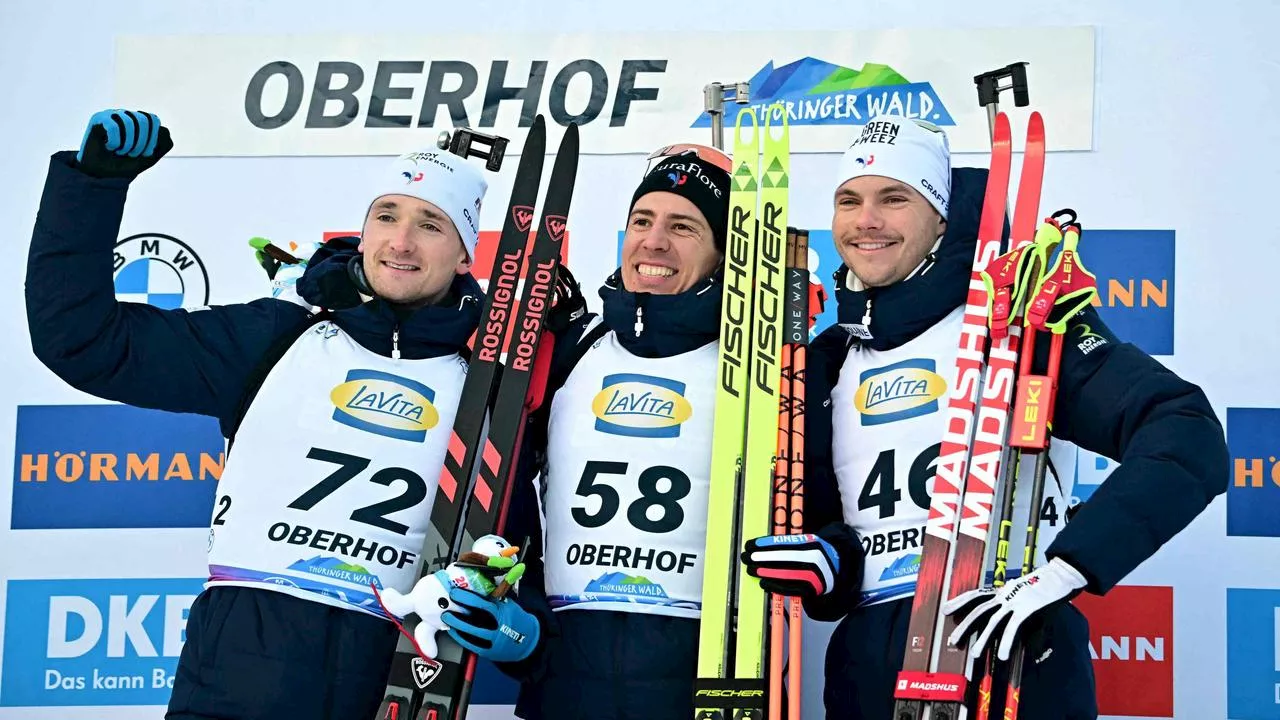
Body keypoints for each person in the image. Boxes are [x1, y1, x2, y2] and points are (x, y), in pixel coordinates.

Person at [741, 113, 1229, 719]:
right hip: (866, 676)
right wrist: (827, 563)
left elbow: (1185, 434)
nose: (866, 221)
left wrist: (1066, 568)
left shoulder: (1019, 327)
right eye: (849, 200)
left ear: (941, 220)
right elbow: (832, 539)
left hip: (1010, 663)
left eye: (894, 198)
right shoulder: (826, 361)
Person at [25, 108, 493, 720]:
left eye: (430, 224)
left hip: (393, 682)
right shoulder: (276, 337)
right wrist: (91, 188)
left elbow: (508, 553)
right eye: (386, 216)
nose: (400, 242)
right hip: (236, 677)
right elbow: (85, 342)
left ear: (465, 254)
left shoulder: (490, 382)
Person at [426, 144, 733, 720]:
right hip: (565, 694)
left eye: (684, 226)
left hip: (698, 695)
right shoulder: (572, 350)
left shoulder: (761, 367)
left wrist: (827, 561)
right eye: (642, 220)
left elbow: (814, 518)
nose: (654, 241)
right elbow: (503, 509)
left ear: (722, 251)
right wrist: (525, 633)